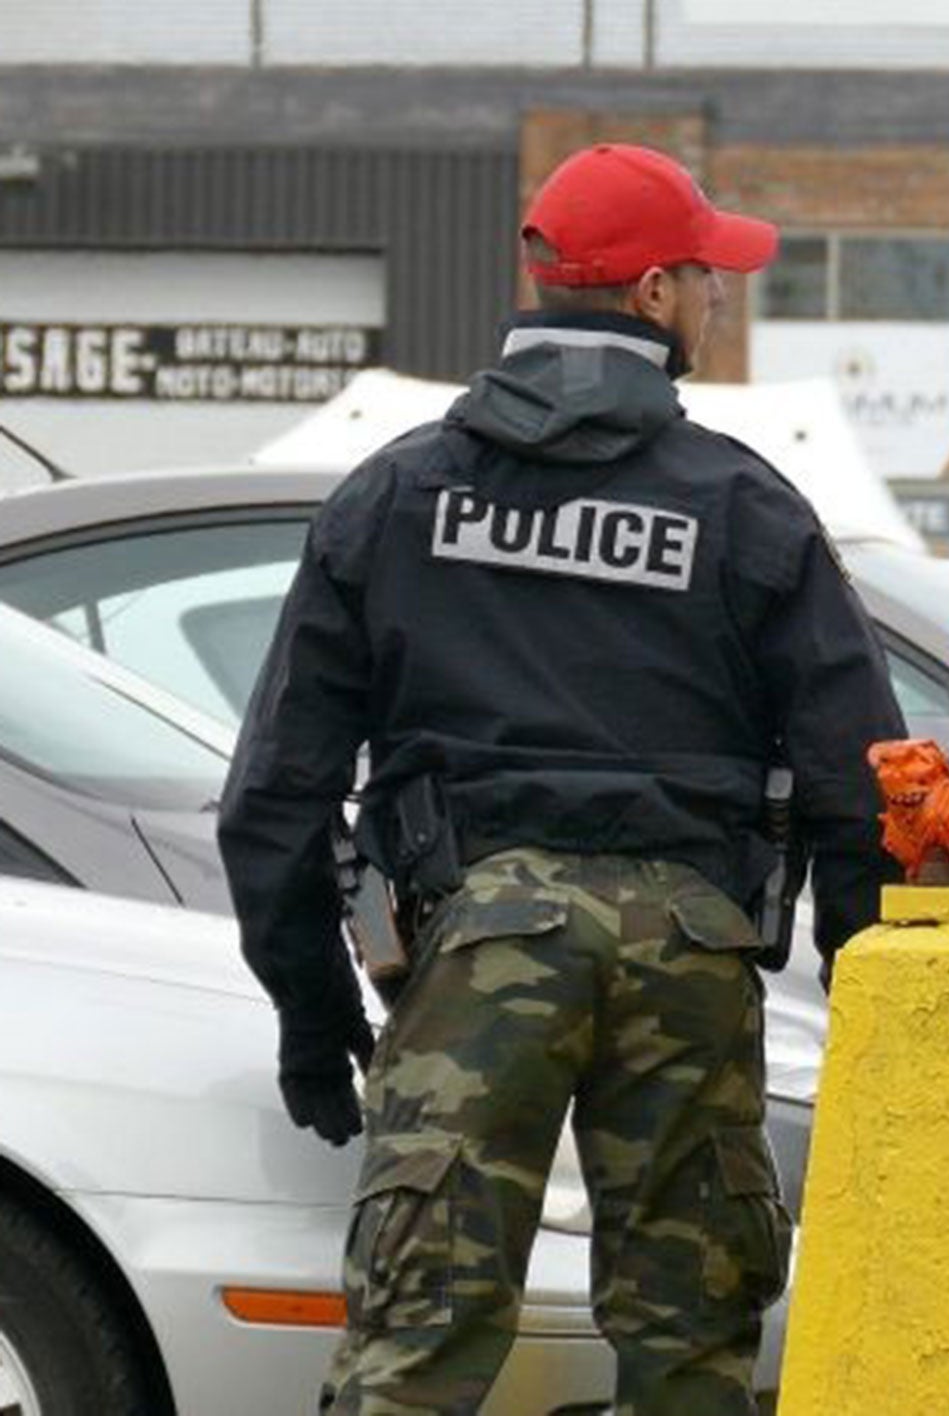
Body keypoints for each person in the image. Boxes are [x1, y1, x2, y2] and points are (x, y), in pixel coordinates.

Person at [218, 142, 906, 1415]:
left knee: (413, 1353)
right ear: (649, 295)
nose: (719, 299)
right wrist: (873, 1001)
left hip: (472, 951)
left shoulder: (395, 495)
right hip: (692, 964)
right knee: (690, 1357)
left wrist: (316, 1024)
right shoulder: (746, 509)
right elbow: (860, 785)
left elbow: (274, 796)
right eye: (707, 275)